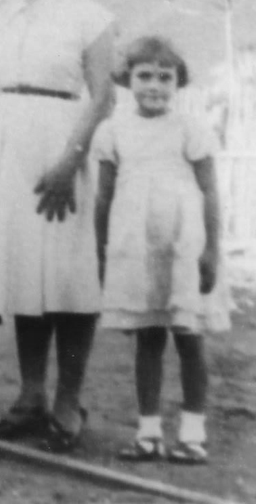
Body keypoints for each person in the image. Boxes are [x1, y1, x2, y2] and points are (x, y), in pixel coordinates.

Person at [0, 0, 116, 453]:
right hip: (5, 148)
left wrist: (69, 163)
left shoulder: (88, 15)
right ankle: (30, 396)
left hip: (58, 143)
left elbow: (103, 96)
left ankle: (68, 399)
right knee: (27, 276)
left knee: (68, 277)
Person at [93, 36, 229, 465]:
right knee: (148, 338)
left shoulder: (190, 127)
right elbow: (103, 197)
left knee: (190, 338)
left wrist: (211, 251)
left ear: (178, 83)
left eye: (165, 77)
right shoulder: (113, 129)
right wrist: (102, 252)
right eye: (145, 76)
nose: (154, 85)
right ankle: (148, 432)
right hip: (136, 246)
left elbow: (209, 190)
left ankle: (192, 434)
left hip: (183, 243)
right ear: (127, 79)